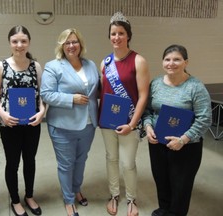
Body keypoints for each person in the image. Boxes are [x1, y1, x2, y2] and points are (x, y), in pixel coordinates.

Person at [143, 44, 212, 216]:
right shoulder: (156, 84)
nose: (171, 63)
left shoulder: (195, 87)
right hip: (158, 143)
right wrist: (148, 126)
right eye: (167, 59)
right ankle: (164, 209)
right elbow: (148, 110)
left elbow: (205, 118)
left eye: (177, 59)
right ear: (162, 62)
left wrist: (183, 139)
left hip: (186, 147)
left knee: (180, 186)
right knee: (161, 180)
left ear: (186, 62)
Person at [40, 28, 100, 216]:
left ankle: (76, 189)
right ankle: (68, 199)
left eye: (74, 42)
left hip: (88, 124)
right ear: (62, 46)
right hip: (63, 125)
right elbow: (46, 94)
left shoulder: (90, 65)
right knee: (66, 164)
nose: (71, 46)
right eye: (67, 43)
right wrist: (71, 99)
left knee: (81, 161)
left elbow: (97, 90)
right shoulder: (54, 66)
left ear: (80, 44)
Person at [98, 12, 150, 216]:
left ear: (128, 35)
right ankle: (113, 195)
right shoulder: (105, 63)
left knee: (128, 163)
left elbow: (143, 96)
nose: (117, 37)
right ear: (109, 36)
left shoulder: (139, 60)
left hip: (130, 122)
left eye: (121, 33)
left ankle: (131, 198)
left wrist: (132, 123)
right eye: (113, 33)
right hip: (108, 122)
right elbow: (103, 93)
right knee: (111, 158)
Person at [0, 25, 45, 216]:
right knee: (12, 163)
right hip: (10, 124)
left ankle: (29, 196)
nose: (19, 45)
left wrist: (42, 113)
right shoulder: (1, 66)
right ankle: (15, 200)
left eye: (23, 41)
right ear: (10, 43)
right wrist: (2, 115)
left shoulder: (35, 66)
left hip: (31, 124)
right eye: (15, 41)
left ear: (29, 42)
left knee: (30, 161)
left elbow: (41, 96)